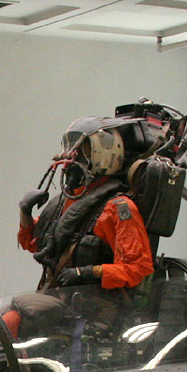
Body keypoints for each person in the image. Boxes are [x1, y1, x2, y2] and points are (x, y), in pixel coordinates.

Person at [17, 116, 153, 294]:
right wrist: (24, 212)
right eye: (70, 148)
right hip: (60, 300)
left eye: (81, 150)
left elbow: (138, 269)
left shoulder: (118, 208)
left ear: (103, 153)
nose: (71, 156)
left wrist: (90, 273)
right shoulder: (66, 201)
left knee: (15, 314)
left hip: (98, 309)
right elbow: (36, 245)